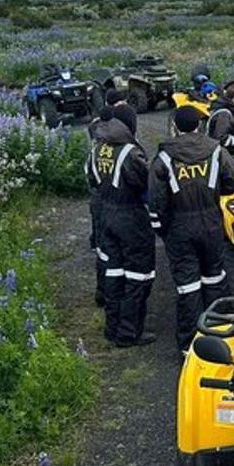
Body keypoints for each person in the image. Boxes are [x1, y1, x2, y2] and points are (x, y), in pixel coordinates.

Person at [149, 105, 234, 353]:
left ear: (175, 127)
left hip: (179, 227)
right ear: (199, 126)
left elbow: (156, 199)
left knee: (188, 287)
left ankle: (190, 346)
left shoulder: (165, 157)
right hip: (211, 224)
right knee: (214, 280)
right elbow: (232, 184)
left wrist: (162, 228)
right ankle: (218, 337)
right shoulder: (216, 151)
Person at [87, 104, 157, 346]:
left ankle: (112, 327)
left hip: (105, 214)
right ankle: (129, 333)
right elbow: (146, 185)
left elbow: (91, 180)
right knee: (138, 276)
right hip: (130, 218)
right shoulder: (130, 152)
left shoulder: (97, 147)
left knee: (112, 273)